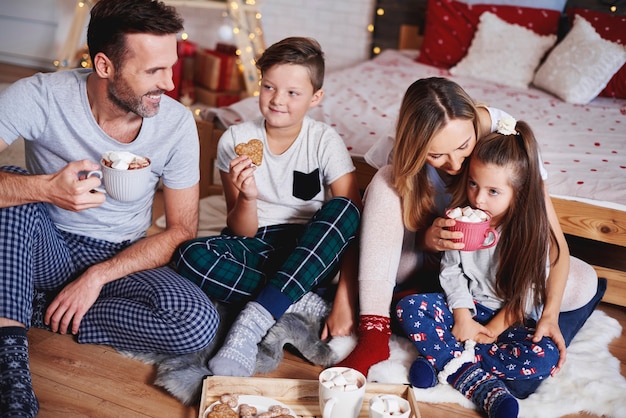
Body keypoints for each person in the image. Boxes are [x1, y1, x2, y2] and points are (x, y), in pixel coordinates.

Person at [0, 1, 219, 416]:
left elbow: (180, 230)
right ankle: (10, 369)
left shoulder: (175, 124)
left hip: (121, 256)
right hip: (45, 244)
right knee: (13, 186)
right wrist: (46, 189)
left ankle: (31, 306)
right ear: (104, 65)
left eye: (170, 67)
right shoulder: (41, 95)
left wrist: (98, 276)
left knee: (196, 323)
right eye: (153, 71)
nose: (170, 84)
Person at [337, 77, 603, 398]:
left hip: (496, 279)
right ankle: (376, 331)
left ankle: (450, 356)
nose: (455, 165)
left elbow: (553, 246)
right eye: (436, 156)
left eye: (464, 147)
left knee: (582, 282)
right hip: (430, 261)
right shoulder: (404, 147)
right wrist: (347, 297)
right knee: (383, 182)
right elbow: (371, 231)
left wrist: (548, 316)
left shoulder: (506, 142)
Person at [171, 37, 363, 377]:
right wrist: (248, 197)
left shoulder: (323, 140)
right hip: (257, 243)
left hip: (311, 246)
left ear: (315, 98)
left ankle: (252, 322)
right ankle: (301, 300)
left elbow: (351, 225)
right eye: (269, 87)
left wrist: (346, 298)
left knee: (346, 209)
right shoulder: (235, 140)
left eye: (293, 93)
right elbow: (241, 230)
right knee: (189, 254)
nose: (277, 100)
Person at [396, 118, 562, 418]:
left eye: (493, 191)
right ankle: (481, 384)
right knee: (409, 308)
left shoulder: (529, 234)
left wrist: (490, 331)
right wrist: (462, 317)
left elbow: (527, 295)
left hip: (508, 320)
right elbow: (451, 272)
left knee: (544, 357)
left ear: (519, 193)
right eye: (473, 184)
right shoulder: (460, 219)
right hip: (462, 308)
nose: (479, 198)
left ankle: (443, 358)